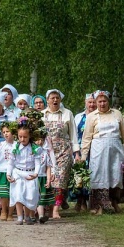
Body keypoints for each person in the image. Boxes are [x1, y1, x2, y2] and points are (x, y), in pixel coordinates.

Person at [81, 90, 124, 215]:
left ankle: (114, 202)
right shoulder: (91, 117)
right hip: (98, 150)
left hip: (115, 149)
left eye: (104, 101)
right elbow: (86, 137)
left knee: (115, 174)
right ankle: (99, 206)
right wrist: (83, 156)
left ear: (108, 101)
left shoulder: (117, 114)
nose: (102, 104)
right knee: (100, 175)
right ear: (95, 102)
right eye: (99, 101)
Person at [41, 89, 79, 219]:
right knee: (48, 179)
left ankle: (56, 210)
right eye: (52, 98)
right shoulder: (41, 115)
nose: (55, 100)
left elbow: (73, 134)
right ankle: (48, 207)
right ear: (47, 100)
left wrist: (76, 153)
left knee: (61, 179)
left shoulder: (68, 113)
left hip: (63, 150)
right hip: (46, 150)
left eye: (57, 98)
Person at [71, 93, 97, 212]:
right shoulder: (78, 117)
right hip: (80, 149)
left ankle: (91, 202)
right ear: (85, 102)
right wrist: (76, 152)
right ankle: (80, 201)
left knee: (92, 175)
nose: (92, 104)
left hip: (95, 149)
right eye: (89, 102)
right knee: (79, 175)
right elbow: (74, 134)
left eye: (93, 102)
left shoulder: (99, 116)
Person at [35, 137, 54, 224]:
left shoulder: (45, 152)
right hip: (32, 178)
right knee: (30, 197)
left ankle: (41, 216)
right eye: (37, 139)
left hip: (42, 177)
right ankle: (28, 216)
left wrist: (48, 179)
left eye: (42, 140)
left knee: (41, 199)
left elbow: (48, 167)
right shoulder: (30, 151)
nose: (40, 142)